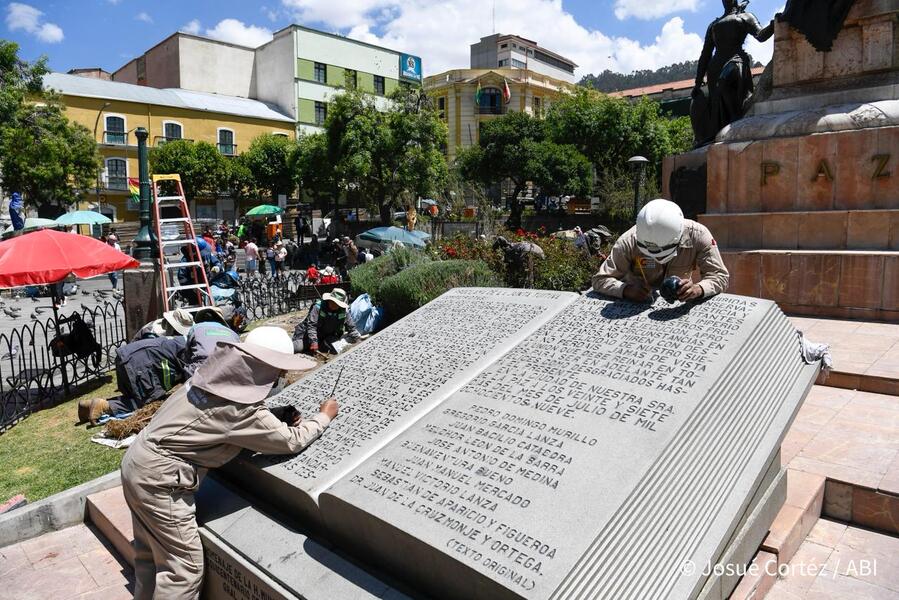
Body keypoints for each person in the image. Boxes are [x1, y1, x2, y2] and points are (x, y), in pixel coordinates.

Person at [121, 327, 338, 599]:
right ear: (265, 369)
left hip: (137, 464)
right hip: (160, 483)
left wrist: (274, 415)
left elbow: (217, 419)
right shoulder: (241, 410)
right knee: (184, 569)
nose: (279, 378)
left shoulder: (208, 378)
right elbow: (290, 440)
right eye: (278, 372)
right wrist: (324, 416)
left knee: (149, 558)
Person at [592, 199, 729, 303]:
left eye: (664, 253)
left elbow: (720, 276)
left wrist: (698, 289)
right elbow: (600, 280)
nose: (658, 259)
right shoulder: (628, 241)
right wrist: (626, 290)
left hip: (679, 305)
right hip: (635, 303)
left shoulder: (698, 235)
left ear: (678, 237)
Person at [80, 335, 187, 425]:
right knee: (143, 403)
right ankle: (103, 406)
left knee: (135, 397)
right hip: (139, 365)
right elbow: (192, 381)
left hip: (129, 358)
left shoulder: (182, 341)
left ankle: (88, 406)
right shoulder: (191, 350)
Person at [292, 288, 360, 354]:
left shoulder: (344, 311)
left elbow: (351, 327)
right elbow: (312, 326)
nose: (334, 305)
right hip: (309, 335)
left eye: (337, 304)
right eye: (333, 302)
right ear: (329, 300)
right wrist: (313, 342)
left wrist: (356, 336)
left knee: (336, 348)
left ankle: (321, 346)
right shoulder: (318, 307)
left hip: (328, 336)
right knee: (298, 348)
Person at [181, 307, 240, 377]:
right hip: (231, 369)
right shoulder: (232, 333)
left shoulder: (195, 328)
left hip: (201, 372)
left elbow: (187, 356)